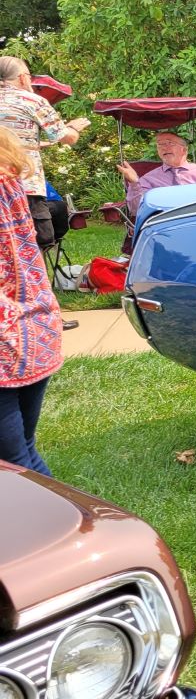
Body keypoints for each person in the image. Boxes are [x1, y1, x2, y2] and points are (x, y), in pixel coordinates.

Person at [0, 125, 64, 476]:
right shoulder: (10, 181)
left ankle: (57, 526)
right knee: (22, 451)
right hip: (36, 324)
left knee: (14, 463)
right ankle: (72, 523)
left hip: (7, 339)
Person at [0, 56, 87, 255]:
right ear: (23, 78)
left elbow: (15, 141)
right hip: (24, 186)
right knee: (37, 239)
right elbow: (67, 138)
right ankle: (32, 282)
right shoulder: (33, 101)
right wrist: (73, 127)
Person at [118, 133, 196, 217]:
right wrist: (134, 182)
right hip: (164, 228)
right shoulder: (149, 179)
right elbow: (136, 211)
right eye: (160, 145)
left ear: (184, 150)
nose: (164, 148)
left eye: (169, 143)